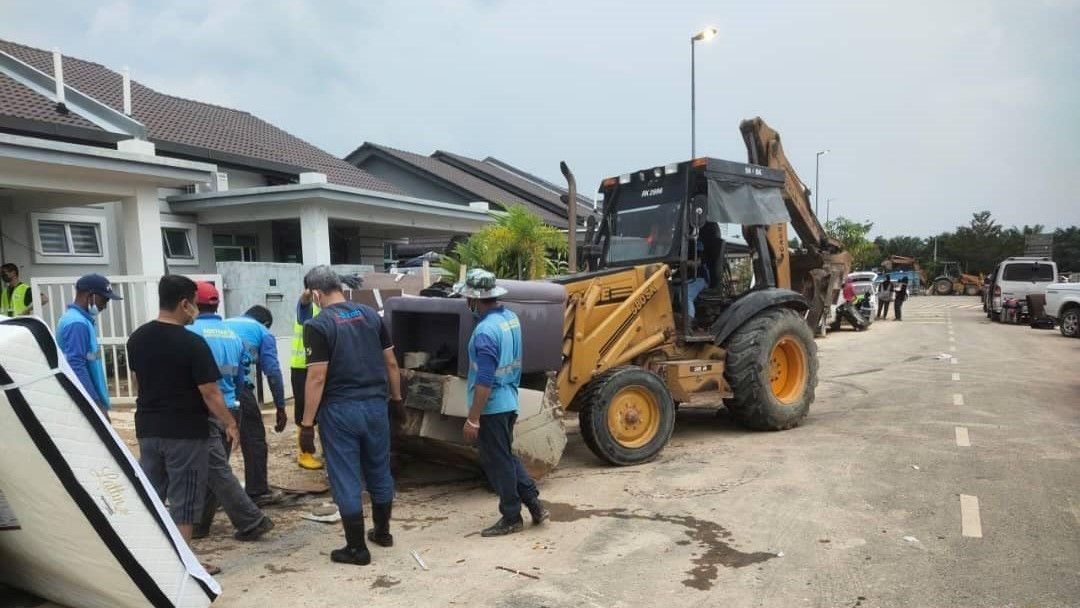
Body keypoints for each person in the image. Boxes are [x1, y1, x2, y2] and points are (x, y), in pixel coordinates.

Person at [128, 275, 239, 575]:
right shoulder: (192, 343)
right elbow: (210, 392)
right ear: (184, 304)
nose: (196, 311)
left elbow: (138, 382)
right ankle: (184, 565)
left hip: (149, 429)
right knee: (185, 499)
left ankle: (149, 558)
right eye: (194, 305)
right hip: (186, 432)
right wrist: (230, 423)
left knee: (152, 493)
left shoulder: (137, 338)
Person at [298, 266, 403, 566]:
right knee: (379, 468)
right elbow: (391, 362)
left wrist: (307, 424)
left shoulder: (318, 325)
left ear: (316, 294)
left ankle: (357, 549)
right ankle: (382, 532)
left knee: (345, 475)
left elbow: (317, 377)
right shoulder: (371, 315)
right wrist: (396, 400)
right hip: (376, 407)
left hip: (340, 411)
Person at [456, 269, 549, 537]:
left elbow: (484, 380)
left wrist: (473, 418)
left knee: (499, 463)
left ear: (473, 299)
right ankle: (534, 504)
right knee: (506, 457)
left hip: (492, 406)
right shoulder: (510, 318)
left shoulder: (485, 331)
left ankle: (511, 516)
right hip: (509, 399)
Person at [188, 282, 274, 542]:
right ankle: (200, 524)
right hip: (229, 407)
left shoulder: (189, 332)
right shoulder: (232, 335)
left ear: (191, 303)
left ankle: (250, 520)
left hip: (202, 408)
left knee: (214, 469)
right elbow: (241, 378)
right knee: (215, 467)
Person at [225, 305, 288, 506]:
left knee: (216, 443)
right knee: (254, 438)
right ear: (266, 323)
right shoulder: (263, 332)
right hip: (237, 387)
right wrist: (280, 406)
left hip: (207, 388)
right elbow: (272, 372)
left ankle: (210, 495)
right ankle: (257, 491)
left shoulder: (224, 324)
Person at [57, 274, 120, 416]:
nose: (105, 306)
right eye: (104, 300)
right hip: (85, 402)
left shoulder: (81, 320)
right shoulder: (77, 323)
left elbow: (88, 357)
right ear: (91, 296)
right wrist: (96, 404)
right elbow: (76, 365)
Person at [291, 290, 323, 470]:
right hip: (302, 367)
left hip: (317, 365)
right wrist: (308, 292)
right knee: (304, 411)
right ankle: (305, 454)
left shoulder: (325, 311)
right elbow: (303, 301)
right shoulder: (309, 308)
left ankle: (317, 450)